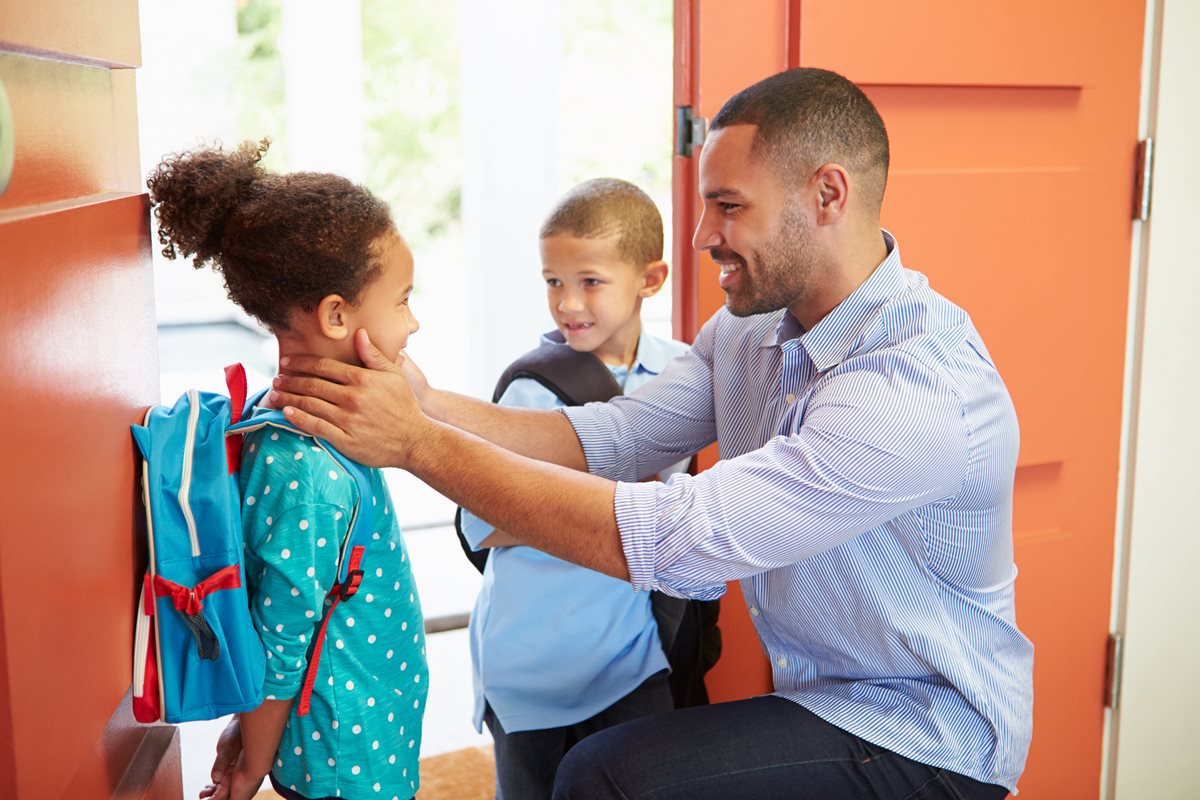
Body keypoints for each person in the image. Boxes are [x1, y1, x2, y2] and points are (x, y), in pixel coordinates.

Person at [268, 67, 1034, 799]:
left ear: (827, 194)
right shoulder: (752, 335)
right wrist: (427, 404)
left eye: (729, 206)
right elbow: (615, 436)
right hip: (823, 697)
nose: (703, 235)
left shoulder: (915, 390)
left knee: (609, 776)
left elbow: (679, 540)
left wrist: (414, 445)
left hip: (931, 732)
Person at [147, 139, 429, 800]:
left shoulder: (306, 423)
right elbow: (280, 647)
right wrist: (249, 763)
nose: (413, 323)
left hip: (362, 718)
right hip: (345, 747)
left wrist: (250, 733)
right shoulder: (306, 469)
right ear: (336, 315)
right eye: (402, 300)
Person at [458, 177, 700, 799]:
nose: (568, 303)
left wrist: (563, 494)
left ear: (651, 279)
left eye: (590, 281)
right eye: (552, 282)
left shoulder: (683, 373)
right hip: (531, 666)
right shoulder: (530, 391)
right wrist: (615, 493)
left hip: (630, 656)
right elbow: (479, 522)